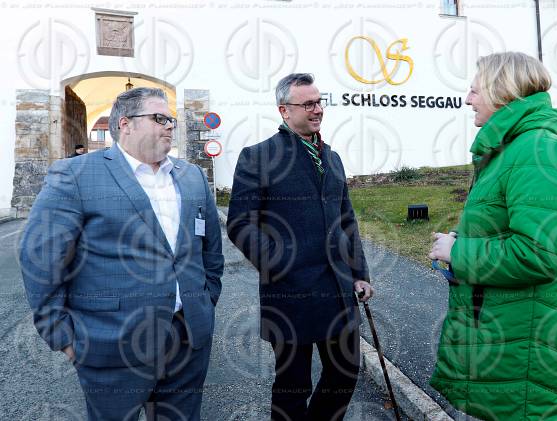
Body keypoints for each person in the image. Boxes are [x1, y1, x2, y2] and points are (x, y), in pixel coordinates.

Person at [20, 87, 224, 421]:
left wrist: (204, 299)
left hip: (187, 340)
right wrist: (62, 335)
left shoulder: (192, 177)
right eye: (159, 118)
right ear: (125, 124)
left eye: (171, 119)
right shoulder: (76, 175)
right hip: (111, 344)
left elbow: (211, 251)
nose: (170, 125)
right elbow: (40, 258)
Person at [428, 52, 557, 421]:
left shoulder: (540, 149)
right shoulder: (514, 147)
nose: (468, 99)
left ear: (502, 92)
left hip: (531, 338)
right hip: (511, 328)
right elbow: (508, 224)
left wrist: (458, 252)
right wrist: (466, 236)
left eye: (475, 90)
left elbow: (539, 254)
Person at [227, 73, 374, 421]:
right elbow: (240, 223)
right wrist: (281, 264)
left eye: (319, 102)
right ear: (284, 110)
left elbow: (347, 221)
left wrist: (360, 273)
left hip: (337, 292)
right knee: (293, 386)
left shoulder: (333, 158)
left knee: (344, 374)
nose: (317, 109)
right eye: (308, 103)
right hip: (290, 293)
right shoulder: (258, 157)